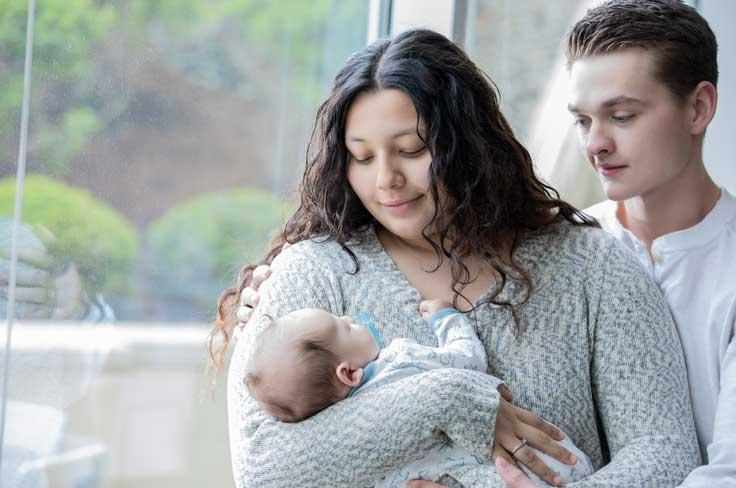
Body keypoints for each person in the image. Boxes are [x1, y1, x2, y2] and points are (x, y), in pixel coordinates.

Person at [212, 28, 699, 488]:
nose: (386, 180)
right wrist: (448, 398)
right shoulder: (312, 274)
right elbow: (264, 469)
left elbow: (665, 451)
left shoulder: (590, 265)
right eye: (361, 156)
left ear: (469, 144)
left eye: (411, 149)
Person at [497, 1, 736, 487]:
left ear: (699, 107)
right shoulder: (559, 250)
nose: (595, 144)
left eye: (621, 116)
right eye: (583, 121)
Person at [245, 300, 593, 487]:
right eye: (344, 325)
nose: (349, 316)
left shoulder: (344, 448)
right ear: (348, 373)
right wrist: (447, 320)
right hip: (545, 468)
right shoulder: (403, 361)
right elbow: (467, 362)